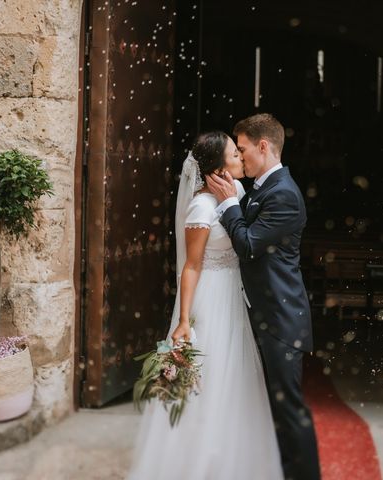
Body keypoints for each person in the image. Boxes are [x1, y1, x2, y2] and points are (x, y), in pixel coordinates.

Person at [127, 131, 284, 480]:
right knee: (206, 376)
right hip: (210, 296)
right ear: (216, 168)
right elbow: (192, 265)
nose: (241, 159)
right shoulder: (200, 206)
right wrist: (183, 320)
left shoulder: (238, 192)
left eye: (239, 153)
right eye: (234, 155)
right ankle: (191, 461)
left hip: (232, 293)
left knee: (235, 375)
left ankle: (230, 458)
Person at [206, 113, 321, 480]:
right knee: (273, 406)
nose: (240, 158)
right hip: (266, 315)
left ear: (264, 146)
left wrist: (227, 206)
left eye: (242, 150)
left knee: (289, 410)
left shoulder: (283, 194)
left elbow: (250, 245)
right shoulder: (265, 188)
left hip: (281, 319)